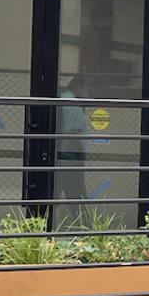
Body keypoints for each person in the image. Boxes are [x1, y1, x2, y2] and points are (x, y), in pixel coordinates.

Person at [56, 74, 88, 204]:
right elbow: (74, 133)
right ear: (77, 88)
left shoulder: (61, 99)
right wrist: (82, 155)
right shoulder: (74, 105)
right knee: (78, 200)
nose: (87, 94)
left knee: (52, 196)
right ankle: (82, 223)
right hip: (72, 160)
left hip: (60, 157)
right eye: (86, 90)